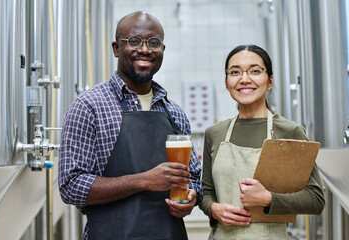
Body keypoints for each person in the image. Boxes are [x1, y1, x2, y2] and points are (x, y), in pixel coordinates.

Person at [58, 11, 202, 240]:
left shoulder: (174, 112)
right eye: (134, 41)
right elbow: (71, 186)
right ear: (116, 48)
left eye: (154, 43)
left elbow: (194, 176)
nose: (145, 50)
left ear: (162, 50)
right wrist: (144, 180)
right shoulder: (88, 106)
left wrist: (192, 197)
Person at [199, 44, 325, 239]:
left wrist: (268, 199)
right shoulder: (215, 133)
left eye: (255, 71)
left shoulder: (289, 131)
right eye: (235, 72)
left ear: (270, 81)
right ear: (226, 82)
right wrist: (213, 208)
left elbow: (315, 199)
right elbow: (206, 192)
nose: (244, 79)